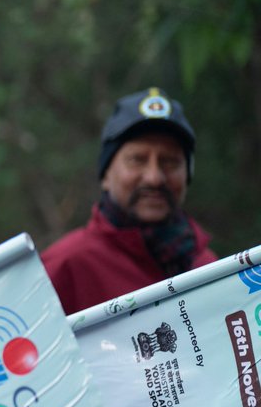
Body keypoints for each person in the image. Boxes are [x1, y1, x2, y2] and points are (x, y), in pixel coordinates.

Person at [42, 87, 215, 314]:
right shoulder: (63, 268)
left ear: (187, 175)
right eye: (137, 160)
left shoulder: (210, 269)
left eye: (170, 162)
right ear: (106, 175)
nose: (154, 178)